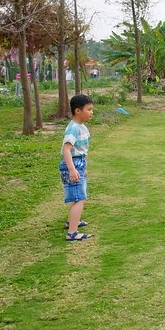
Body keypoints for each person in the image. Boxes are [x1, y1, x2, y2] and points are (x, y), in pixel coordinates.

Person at [61, 94, 94, 241]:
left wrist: (84, 167)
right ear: (78, 111)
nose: (91, 112)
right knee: (80, 198)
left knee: (78, 196)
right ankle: (72, 233)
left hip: (79, 163)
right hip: (73, 164)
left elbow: (83, 150)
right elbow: (66, 149)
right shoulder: (73, 128)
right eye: (89, 109)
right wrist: (72, 169)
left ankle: (72, 222)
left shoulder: (82, 126)